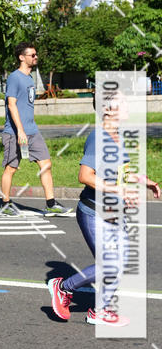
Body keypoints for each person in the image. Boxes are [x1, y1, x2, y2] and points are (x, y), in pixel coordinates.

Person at [48, 91, 159, 327]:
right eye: (123, 103)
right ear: (108, 110)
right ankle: (63, 287)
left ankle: (100, 310)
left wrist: (144, 181)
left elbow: (122, 172)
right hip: (94, 212)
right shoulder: (99, 137)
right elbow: (85, 176)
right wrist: (119, 191)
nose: (128, 106)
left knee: (121, 262)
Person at [0, 42, 72, 217]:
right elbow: (11, 105)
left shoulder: (30, 78)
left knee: (46, 164)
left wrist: (27, 129)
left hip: (32, 130)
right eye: (32, 55)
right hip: (14, 132)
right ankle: (5, 204)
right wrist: (20, 131)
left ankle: (51, 203)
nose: (36, 57)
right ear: (21, 57)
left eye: (36, 54)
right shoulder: (14, 77)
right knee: (11, 168)